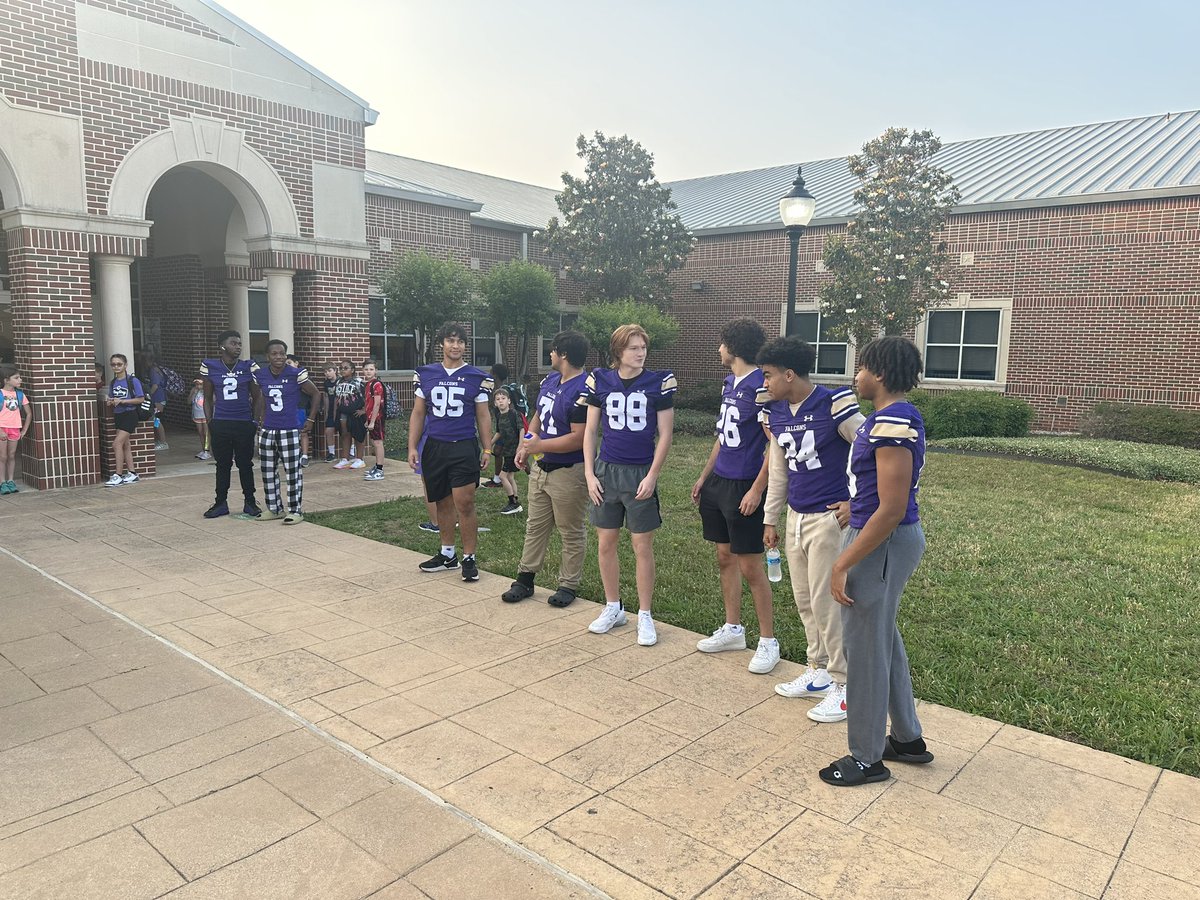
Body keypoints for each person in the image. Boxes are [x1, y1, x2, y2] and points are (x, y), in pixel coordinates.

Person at [820, 336, 932, 787]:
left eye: (861, 368)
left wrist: (841, 562)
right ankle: (906, 738)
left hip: (881, 543)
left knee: (864, 649)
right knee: (881, 637)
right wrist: (854, 506)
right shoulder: (886, 420)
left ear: (880, 374)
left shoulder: (894, 422)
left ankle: (866, 758)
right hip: (878, 535)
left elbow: (892, 507)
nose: (856, 376)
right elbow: (877, 493)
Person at [759, 335, 864, 724]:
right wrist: (771, 517)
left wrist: (857, 500)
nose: (764, 383)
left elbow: (868, 448)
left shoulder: (833, 403)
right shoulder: (778, 411)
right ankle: (818, 668)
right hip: (796, 516)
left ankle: (844, 684)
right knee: (805, 599)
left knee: (826, 602)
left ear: (790, 374)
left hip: (828, 517)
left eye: (769, 375)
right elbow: (779, 468)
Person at [690, 318, 778, 674]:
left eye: (721, 343)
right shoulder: (730, 383)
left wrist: (758, 489)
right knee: (725, 557)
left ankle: (769, 641)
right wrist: (704, 476)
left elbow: (775, 445)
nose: (718, 349)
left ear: (734, 347)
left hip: (745, 485)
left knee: (751, 565)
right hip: (720, 483)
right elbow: (722, 438)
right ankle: (733, 628)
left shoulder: (762, 386)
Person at [581, 324, 676, 647]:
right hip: (607, 470)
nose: (640, 353)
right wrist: (590, 474)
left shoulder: (658, 382)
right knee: (605, 542)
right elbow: (591, 430)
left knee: (641, 546)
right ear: (618, 351)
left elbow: (665, 434)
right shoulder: (601, 380)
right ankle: (613, 606)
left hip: (638, 471)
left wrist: (652, 475)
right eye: (634, 348)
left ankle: (645, 614)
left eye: (643, 347)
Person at [502, 330, 590, 607]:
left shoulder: (585, 388)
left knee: (570, 530)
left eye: (552, 350)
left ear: (563, 354)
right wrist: (525, 445)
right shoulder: (551, 380)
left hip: (569, 469)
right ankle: (525, 578)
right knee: (535, 526)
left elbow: (579, 437)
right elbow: (539, 416)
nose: (549, 355)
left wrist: (541, 445)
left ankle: (568, 584)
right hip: (542, 467)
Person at [408, 322, 494, 582]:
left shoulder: (477, 376)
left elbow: (483, 414)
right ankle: (448, 554)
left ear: (465, 346)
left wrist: (487, 447)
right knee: (441, 500)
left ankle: (469, 557)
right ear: (442, 344)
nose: (455, 346)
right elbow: (419, 412)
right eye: (450, 340)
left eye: (460, 341)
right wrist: (412, 446)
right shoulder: (426, 373)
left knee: (464, 502)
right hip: (435, 445)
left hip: (463, 445)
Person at [253, 339, 321, 524]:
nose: (279, 357)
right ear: (267, 356)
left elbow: (316, 393)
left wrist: (310, 419)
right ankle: (274, 508)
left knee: (292, 472)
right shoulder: (261, 375)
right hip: (267, 429)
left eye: (282, 353)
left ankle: (295, 510)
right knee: (268, 471)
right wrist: (256, 420)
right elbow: (259, 398)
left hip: (289, 429)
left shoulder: (295, 374)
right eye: (274, 354)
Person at [200, 330, 262, 518]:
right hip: (221, 422)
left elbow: (258, 396)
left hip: (243, 421)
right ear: (223, 345)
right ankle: (220, 503)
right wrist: (210, 421)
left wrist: (254, 421)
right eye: (233, 343)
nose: (238, 346)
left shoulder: (248, 366)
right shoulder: (210, 366)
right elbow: (208, 397)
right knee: (222, 464)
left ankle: (250, 502)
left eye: (239, 343)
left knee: (245, 464)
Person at [104, 354, 144, 487]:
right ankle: (132, 473)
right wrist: (111, 401)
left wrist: (123, 401)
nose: (116, 367)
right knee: (125, 445)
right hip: (118, 414)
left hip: (130, 414)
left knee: (116, 444)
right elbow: (112, 398)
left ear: (125, 365)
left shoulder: (133, 380)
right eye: (113, 364)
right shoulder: (113, 383)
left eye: (119, 364)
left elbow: (140, 399)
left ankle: (118, 475)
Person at [0, 364, 33, 494]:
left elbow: (28, 413)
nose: (20, 380)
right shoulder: (1, 394)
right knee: (2, 456)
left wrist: (24, 430)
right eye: (17, 378)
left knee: (12, 455)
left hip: (15, 429)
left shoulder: (20, 395)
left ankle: (11, 480)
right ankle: (2, 482)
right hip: (2, 429)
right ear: (6, 380)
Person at [492, 387, 523, 514]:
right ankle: (515, 501)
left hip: (513, 451)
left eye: (503, 398)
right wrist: (489, 444)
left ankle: (512, 503)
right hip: (507, 450)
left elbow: (522, 429)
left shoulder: (513, 414)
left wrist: (520, 446)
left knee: (502, 476)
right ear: (495, 403)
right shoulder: (499, 416)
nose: (501, 401)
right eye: (498, 399)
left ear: (509, 401)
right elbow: (499, 432)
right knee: (510, 476)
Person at [333, 359, 366, 469]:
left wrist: (364, 410)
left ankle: (359, 459)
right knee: (345, 434)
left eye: (346, 368)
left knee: (358, 436)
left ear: (352, 370)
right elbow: (336, 398)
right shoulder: (338, 382)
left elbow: (367, 397)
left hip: (356, 413)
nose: (343, 370)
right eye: (341, 368)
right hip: (343, 412)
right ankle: (345, 459)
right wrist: (335, 413)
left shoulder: (358, 382)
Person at [137, 351, 169, 450]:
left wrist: (148, 396)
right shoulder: (156, 369)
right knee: (155, 419)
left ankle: (163, 442)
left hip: (158, 399)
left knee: (157, 420)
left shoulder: (153, 370)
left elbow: (155, 385)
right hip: (159, 398)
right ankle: (159, 440)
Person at [361, 359, 387, 481]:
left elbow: (377, 405)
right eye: (366, 369)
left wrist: (372, 421)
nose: (368, 371)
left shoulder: (376, 385)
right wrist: (368, 419)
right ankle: (377, 466)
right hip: (372, 418)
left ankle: (380, 470)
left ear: (376, 370)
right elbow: (369, 404)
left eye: (371, 369)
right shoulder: (368, 384)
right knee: (374, 442)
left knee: (378, 443)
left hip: (378, 418)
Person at [286, 354, 311, 466]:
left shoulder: (302, 376)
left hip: (300, 407)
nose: (288, 365)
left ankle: (305, 455)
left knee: (302, 432)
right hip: (288, 408)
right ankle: (294, 454)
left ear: (296, 363)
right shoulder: (284, 376)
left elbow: (311, 392)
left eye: (289, 363)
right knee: (290, 433)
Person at [189, 379, 210, 460]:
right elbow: (189, 401)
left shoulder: (207, 391)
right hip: (197, 414)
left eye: (200, 384)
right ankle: (203, 449)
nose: (198, 386)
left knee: (206, 432)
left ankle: (207, 450)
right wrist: (193, 394)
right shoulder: (194, 390)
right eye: (196, 384)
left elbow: (213, 400)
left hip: (205, 414)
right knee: (200, 432)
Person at [321, 364, 338, 462]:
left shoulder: (340, 381)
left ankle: (352, 451)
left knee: (346, 431)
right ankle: (331, 453)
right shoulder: (326, 383)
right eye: (325, 372)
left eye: (329, 370)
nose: (327, 373)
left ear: (335, 370)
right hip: (331, 409)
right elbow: (326, 397)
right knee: (328, 431)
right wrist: (326, 411)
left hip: (340, 409)